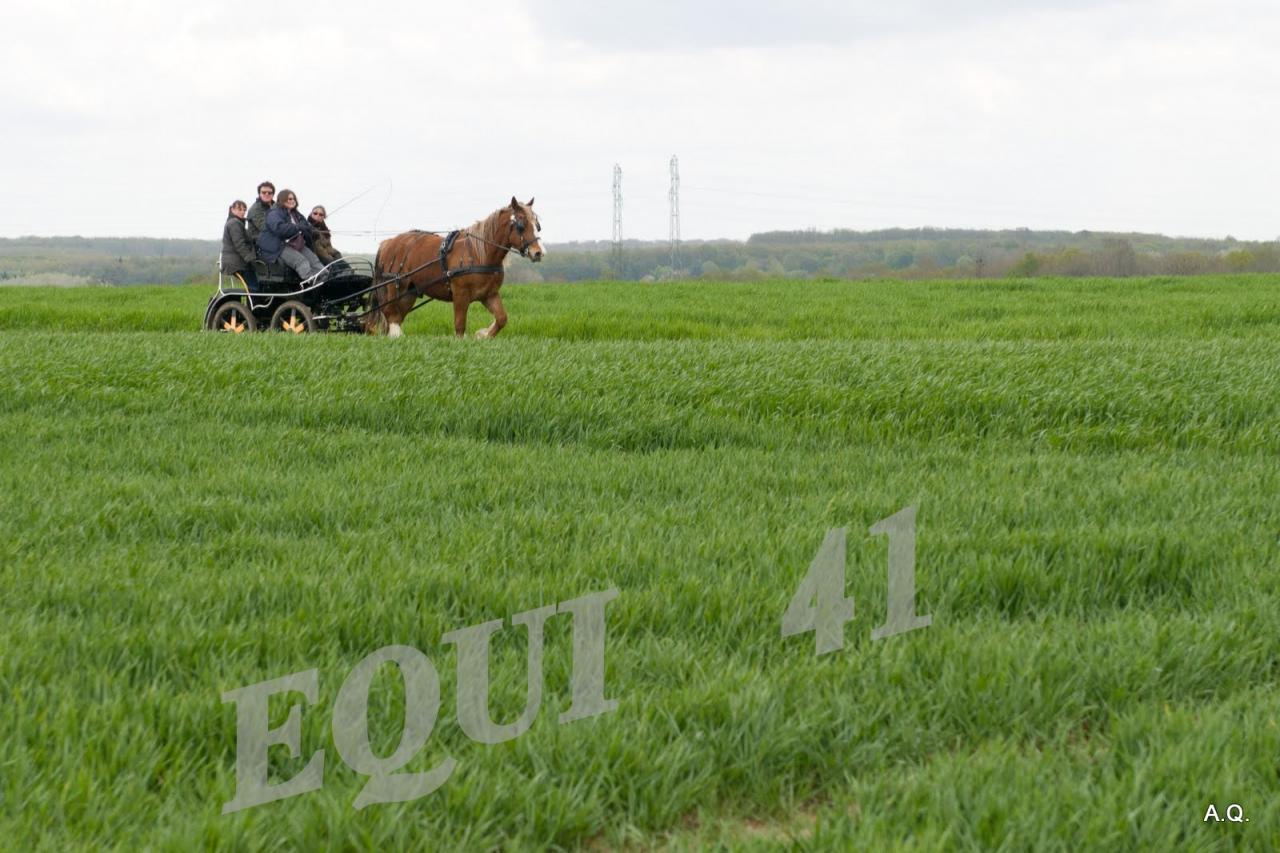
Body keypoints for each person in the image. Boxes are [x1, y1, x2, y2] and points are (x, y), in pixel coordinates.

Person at [258, 188, 325, 282]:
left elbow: (305, 225)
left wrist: (308, 228)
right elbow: (280, 229)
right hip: (279, 246)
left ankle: (325, 278)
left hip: (296, 243)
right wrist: (298, 227)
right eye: (289, 199)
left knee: (314, 260)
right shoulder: (274, 213)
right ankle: (311, 282)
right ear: (282, 199)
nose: (292, 201)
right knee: (301, 261)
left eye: (293, 199)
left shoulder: (296, 214)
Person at [220, 200, 260, 291]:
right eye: (239, 209)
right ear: (232, 209)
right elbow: (239, 244)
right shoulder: (234, 223)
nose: (242, 212)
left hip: (238, 262)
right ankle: (254, 304)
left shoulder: (236, 223)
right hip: (236, 263)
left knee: (254, 284)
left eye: (244, 210)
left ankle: (253, 303)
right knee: (254, 286)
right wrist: (250, 259)